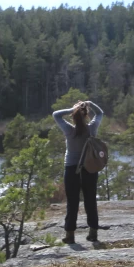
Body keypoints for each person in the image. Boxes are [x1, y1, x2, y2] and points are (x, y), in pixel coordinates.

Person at [52, 100, 104, 244]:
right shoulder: (92, 128)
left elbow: (56, 115)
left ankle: (70, 235)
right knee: (90, 200)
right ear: (86, 115)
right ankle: (93, 233)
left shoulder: (69, 130)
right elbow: (100, 113)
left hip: (71, 169)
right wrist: (90, 103)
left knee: (72, 202)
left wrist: (71, 109)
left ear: (73, 117)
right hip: (90, 168)